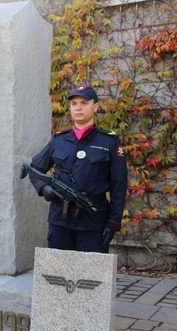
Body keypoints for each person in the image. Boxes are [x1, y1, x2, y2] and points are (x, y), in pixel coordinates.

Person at [29, 84, 127, 253]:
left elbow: (119, 185)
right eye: (74, 104)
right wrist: (43, 188)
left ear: (95, 107)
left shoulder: (109, 142)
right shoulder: (59, 140)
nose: (78, 107)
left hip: (93, 221)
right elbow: (34, 169)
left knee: (91, 275)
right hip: (60, 220)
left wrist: (113, 222)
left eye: (84, 103)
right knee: (58, 271)